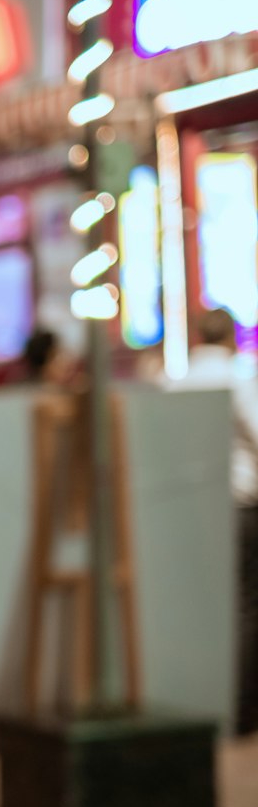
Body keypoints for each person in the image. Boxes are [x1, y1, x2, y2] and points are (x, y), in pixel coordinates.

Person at [167, 307, 258, 736]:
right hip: (240, 507)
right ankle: (242, 713)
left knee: (198, 604)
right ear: (230, 339)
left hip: (188, 510)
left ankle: (200, 705)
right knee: (244, 608)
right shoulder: (239, 380)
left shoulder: (175, 384)